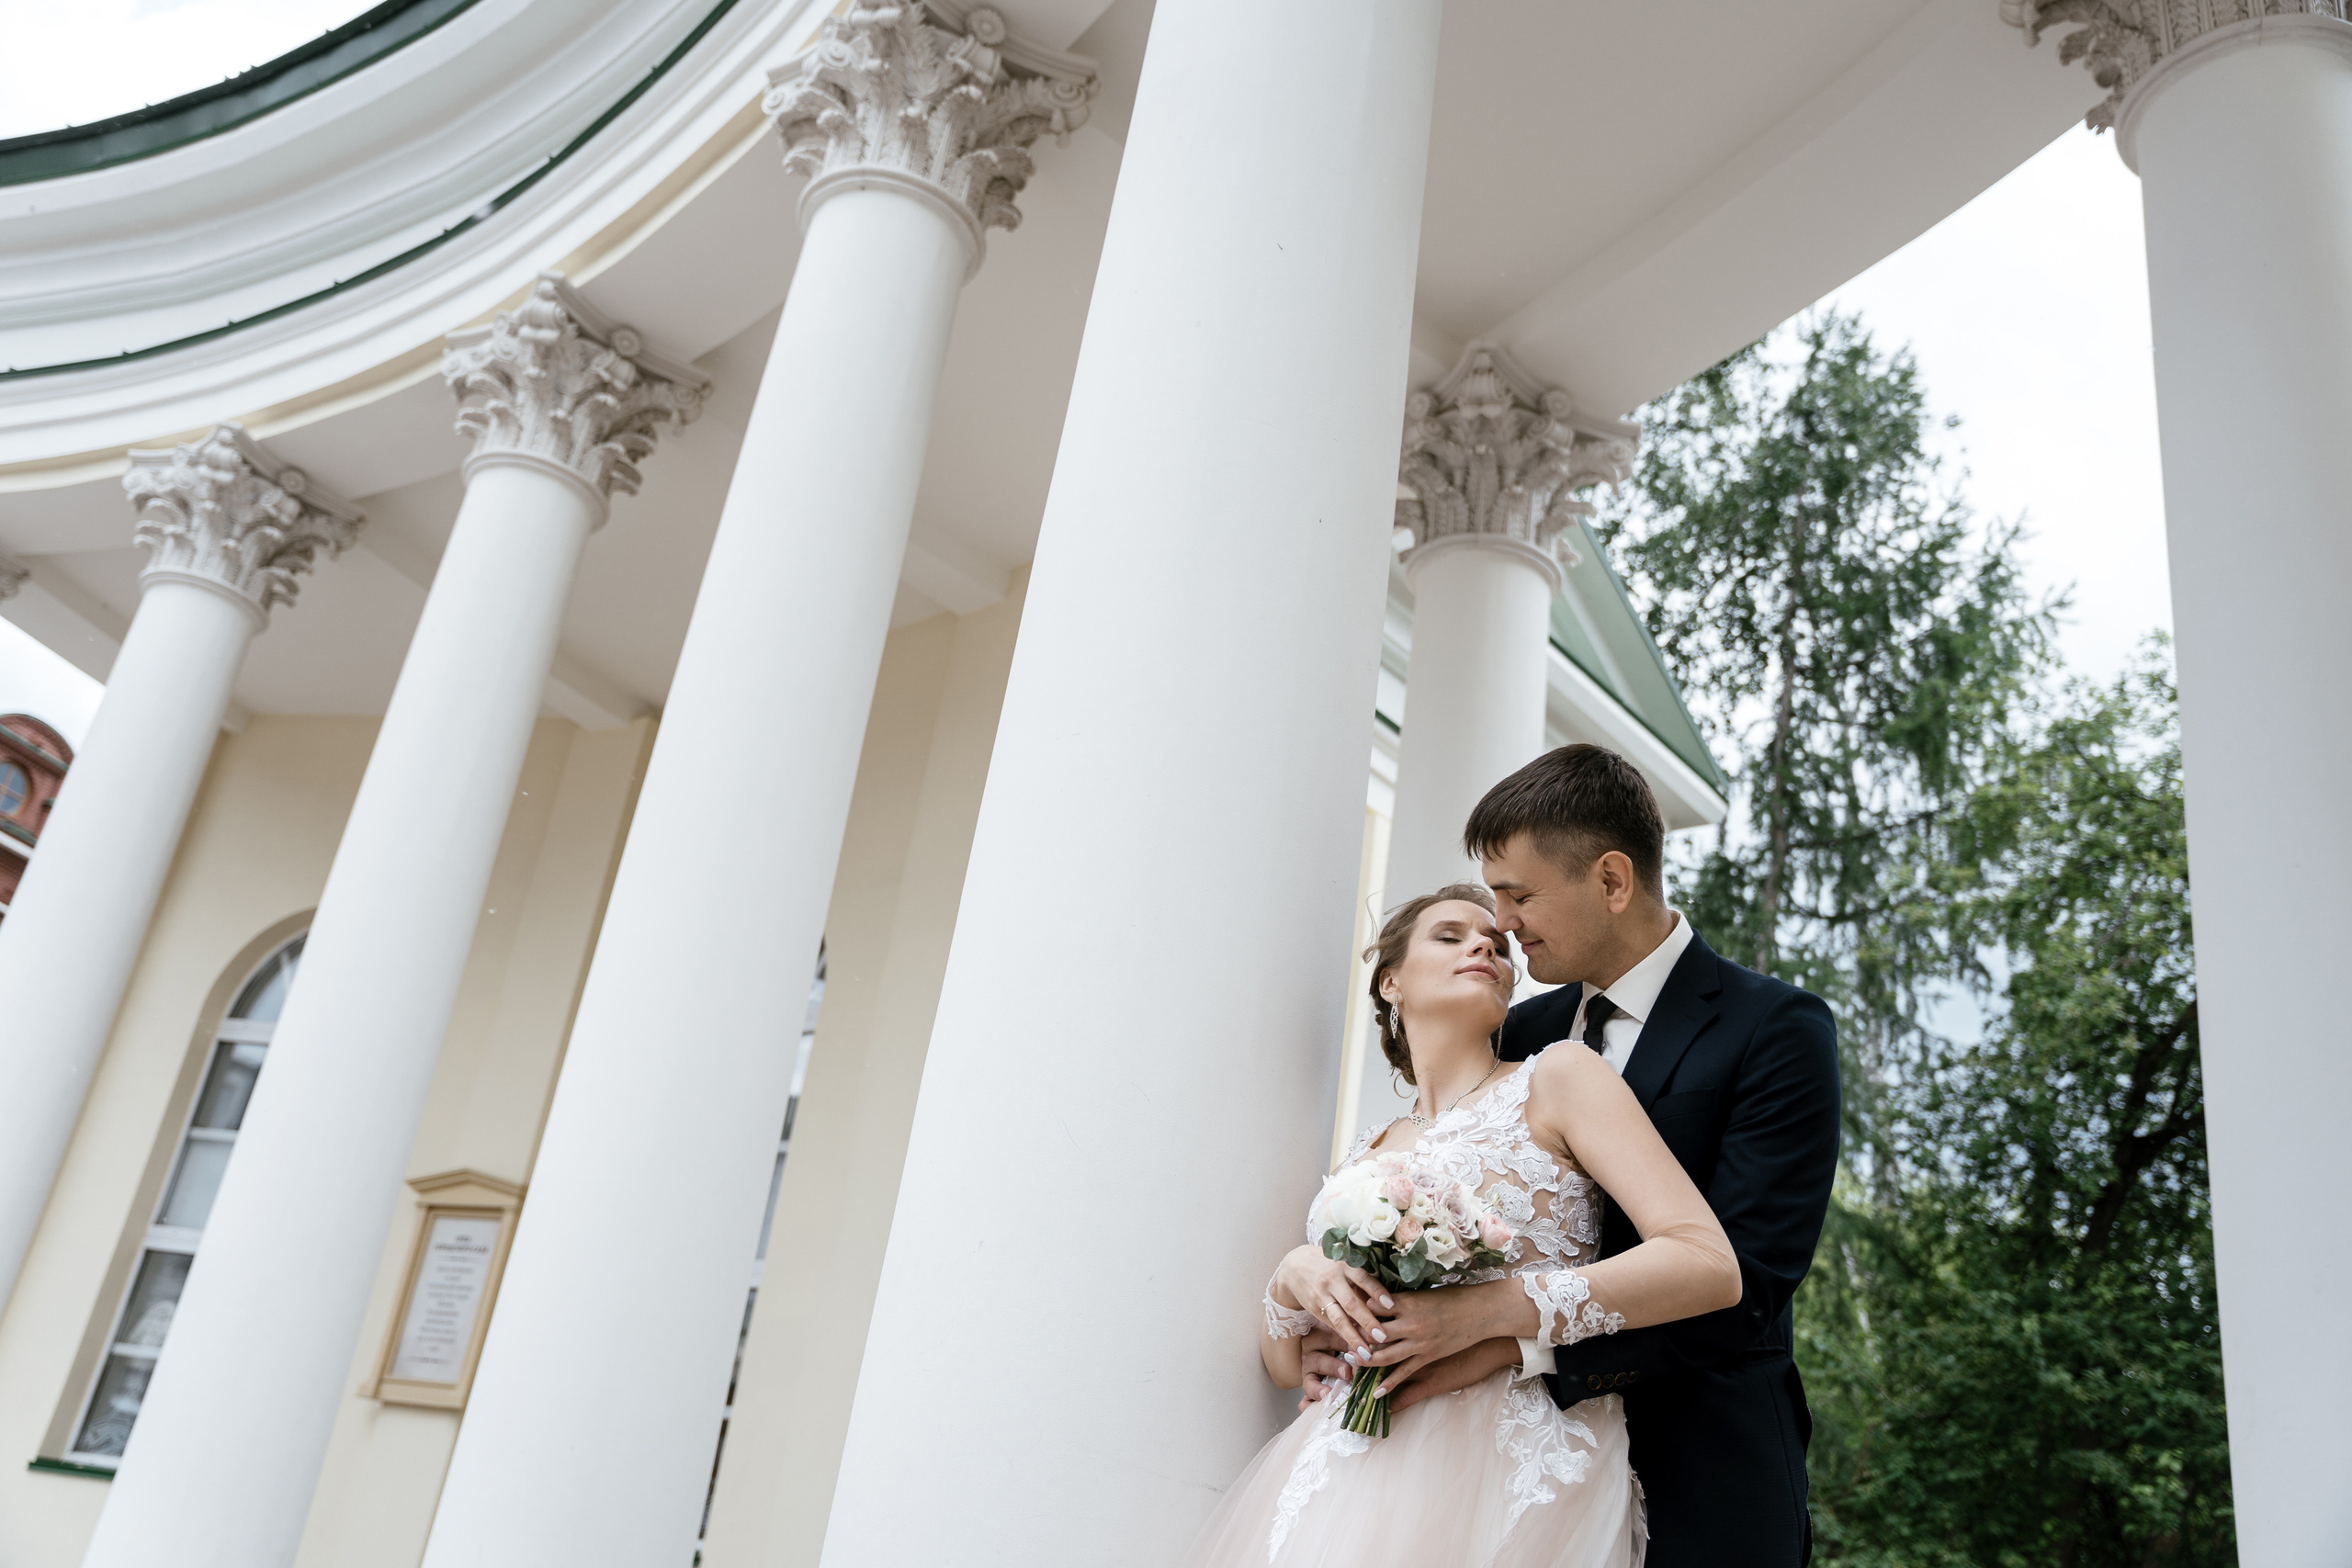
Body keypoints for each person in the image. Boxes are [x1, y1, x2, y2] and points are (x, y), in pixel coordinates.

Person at [1301, 745, 1841, 1567]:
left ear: (1613, 880)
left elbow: (1751, 1283)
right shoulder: (1518, 1033)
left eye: (1518, 895)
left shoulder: (1773, 1028)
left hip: (1704, 1463)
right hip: (1498, 1478)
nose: (1502, 924)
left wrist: (1505, 1340)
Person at [1180, 884, 1744, 1566]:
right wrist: (1295, 1274)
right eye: (1450, 935)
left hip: (1512, 1459)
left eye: (1499, 946)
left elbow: (1707, 1263)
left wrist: (1489, 1317)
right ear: (1391, 982)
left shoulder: (1558, 1078)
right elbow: (1287, 1366)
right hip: (1349, 1473)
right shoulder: (1365, 1151)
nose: (1485, 945)